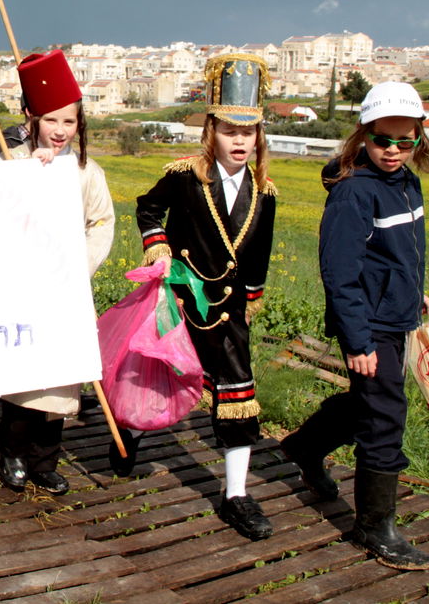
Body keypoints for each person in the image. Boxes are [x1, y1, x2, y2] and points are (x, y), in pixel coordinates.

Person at [280, 81, 429, 570]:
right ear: (362, 137)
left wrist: (415, 294)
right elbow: (340, 274)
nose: (393, 150)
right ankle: (373, 527)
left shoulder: (407, 182)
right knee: (385, 416)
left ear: (418, 139)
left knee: (369, 401)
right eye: (381, 141)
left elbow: (398, 254)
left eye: (404, 141)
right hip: (371, 325)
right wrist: (358, 339)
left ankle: (304, 447)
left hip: (397, 315)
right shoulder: (353, 194)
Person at [129, 54, 278, 540]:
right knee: (160, 374)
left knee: (238, 395)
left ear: (259, 137)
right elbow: (148, 208)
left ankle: (236, 494)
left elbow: (258, 255)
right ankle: (130, 434)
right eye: (230, 131)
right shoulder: (185, 176)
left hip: (229, 313)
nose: (239, 141)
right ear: (210, 131)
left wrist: (251, 299)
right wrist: (158, 248)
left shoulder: (266, 193)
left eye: (248, 133)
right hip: (180, 300)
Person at [0, 50, 114, 496]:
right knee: (24, 381)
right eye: (51, 121)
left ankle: (46, 462)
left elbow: (102, 221)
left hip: (66, 291)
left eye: (69, 121)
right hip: (23, 289)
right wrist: (25, 174)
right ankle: (11, 451)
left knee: (61, 385)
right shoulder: (9, 162)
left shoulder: (88, 172)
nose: (61, 130)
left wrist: (78, 265)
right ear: (31, 119)